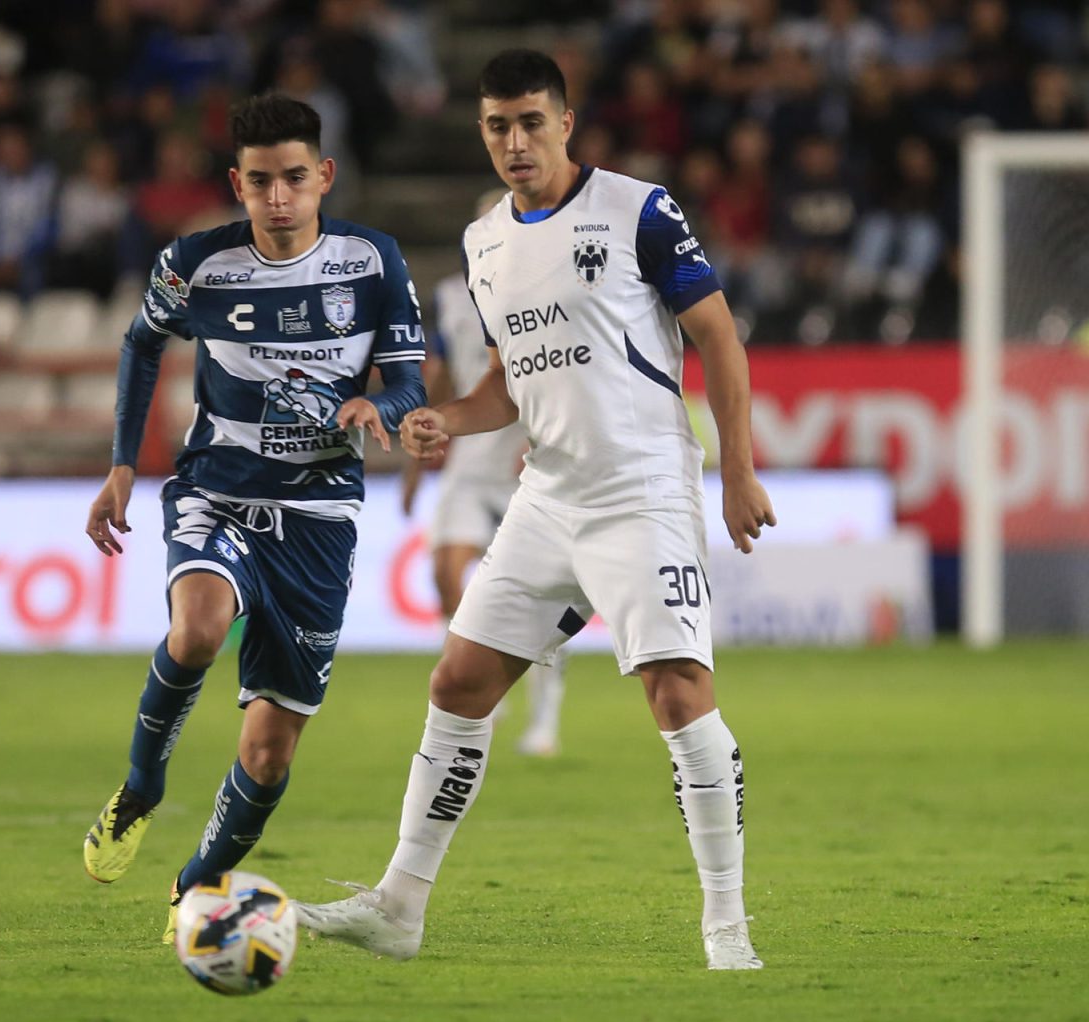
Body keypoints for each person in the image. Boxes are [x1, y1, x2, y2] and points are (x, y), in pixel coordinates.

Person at [295, 50, 776, 971]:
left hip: (640, 489)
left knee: (677, 695)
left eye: (529, 122)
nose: (514, 142)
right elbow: (505, 387)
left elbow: (716, 333)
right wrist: (443, 419)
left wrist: (739, 472)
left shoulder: (639, 208)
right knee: (457, 684)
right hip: (548, 494)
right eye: (495, 126)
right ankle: (399, 906)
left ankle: (726, 926)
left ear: (565, 121)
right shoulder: (484, 243)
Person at [79, 95, 427, 944]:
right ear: (238, 183)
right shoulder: (196, 263)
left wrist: (379, 408)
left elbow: (412, 378)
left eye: (295, 180)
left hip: (321, 515)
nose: (279, 198)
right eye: (262, 181)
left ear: (324, 178)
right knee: (197, 630)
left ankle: (194, 890)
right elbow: (138, 344)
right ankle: (141, 787)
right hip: (217, 489)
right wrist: (125, 464)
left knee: (269, 754)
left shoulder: (371, 261)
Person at [402, 187, 567, 757]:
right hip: (470, 464)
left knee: (544, 597)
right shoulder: (451, 296)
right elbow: (444, 376)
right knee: (447, 571)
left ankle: (545, 713)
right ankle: (483, 688)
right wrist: (417, 458)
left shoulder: (552, 288)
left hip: (530, 465)